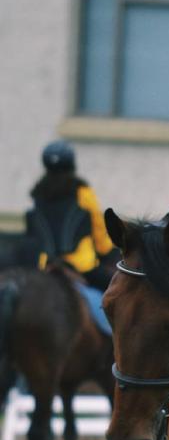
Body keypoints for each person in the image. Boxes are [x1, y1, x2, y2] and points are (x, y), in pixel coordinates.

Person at [26, 140, 117, 333]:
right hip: (82, 267)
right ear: (71, 164)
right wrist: (107, 251)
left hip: (47, 266)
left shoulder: (38, 194)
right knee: (119, 294)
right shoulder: (82, 192)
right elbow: (98, 228)